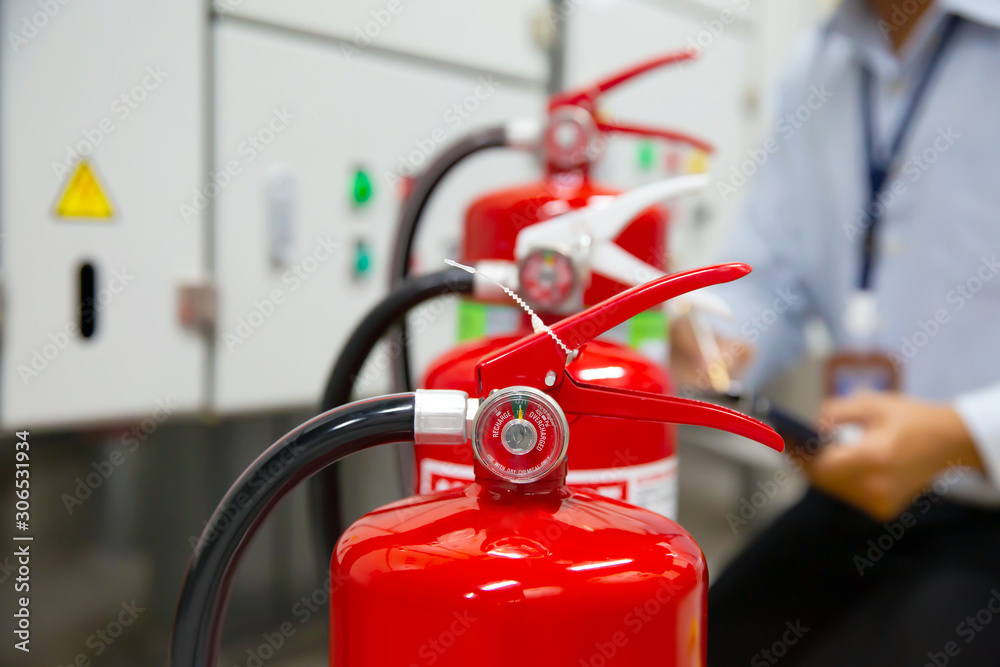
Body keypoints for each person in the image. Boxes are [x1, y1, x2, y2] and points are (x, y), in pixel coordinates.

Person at [670, 0, 1000, 664]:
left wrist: (962, 434)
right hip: (854, 495)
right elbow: (767, 275)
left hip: (985, 510)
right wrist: (718, 337)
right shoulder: (818, 63)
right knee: (697, 640)